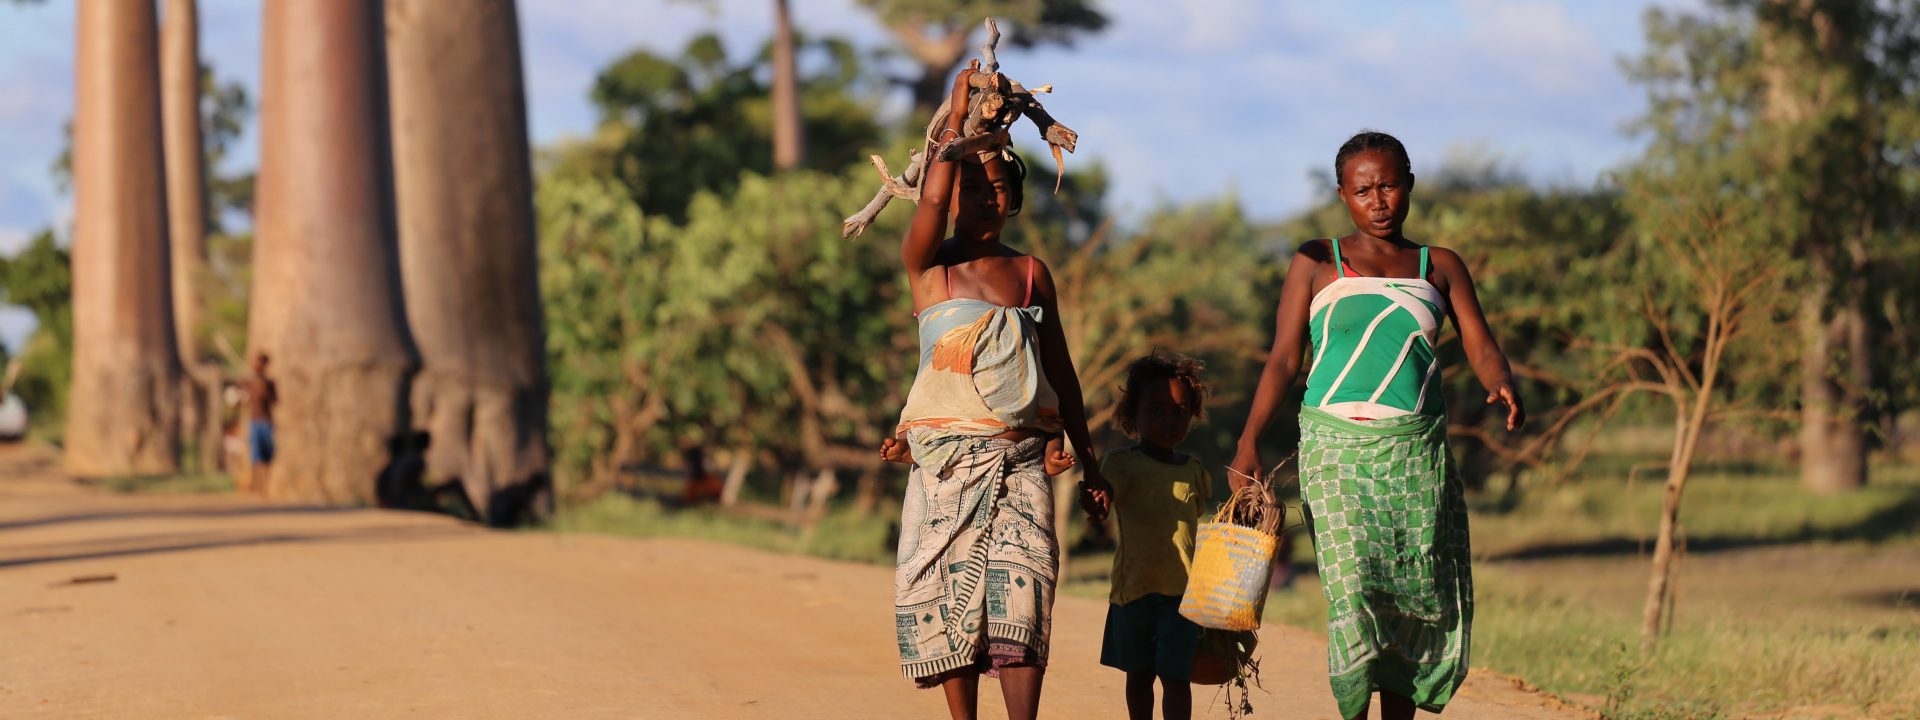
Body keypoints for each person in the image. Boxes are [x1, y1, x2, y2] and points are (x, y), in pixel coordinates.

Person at [1228, 131, 1525, 720]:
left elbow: (1480, 343)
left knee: (1408, 599)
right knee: (1354, 589)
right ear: (1343, 195)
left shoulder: (1438, 266)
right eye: (1363, 190)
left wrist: (1501, 380)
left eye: (1388, 185)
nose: (1378, 200)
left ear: (1408, 184)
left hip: (1415, 455)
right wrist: (1248, 439)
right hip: (1334, 449)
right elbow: (1286, 358)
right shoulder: (1316, 260)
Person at [880, 63, 1111, 720]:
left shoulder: (1031, 274)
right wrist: (958, 118)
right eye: (970, 188)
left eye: (997, 189)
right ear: (948, 196)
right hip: (947, 465)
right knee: (953, 602)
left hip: (1023, 461)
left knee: (1026, 595)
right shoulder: (930, 269)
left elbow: (1060, 374)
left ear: (1014, 198)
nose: (984, 199)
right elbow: (927, 200)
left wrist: (1090, 462)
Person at [1098, 351, 1212, 720]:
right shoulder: (1120, 464)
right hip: (1133, 591)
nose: (1170, 420)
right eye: (1157, 410)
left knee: (1177, 677)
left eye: (1180, 411)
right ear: (1133, 415)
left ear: (1193, 415)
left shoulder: (1195, 470)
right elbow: (1103, 500)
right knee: (1140, 675)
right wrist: (1095, 501)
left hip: (1181, 596)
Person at [243, 353, 278, 495]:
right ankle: (254, 484)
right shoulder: (248, 383)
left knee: (267, 455)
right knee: (255, 454)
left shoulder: (269, 383)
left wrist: (265, 391)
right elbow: (241, 400)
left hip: (267, 422)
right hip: (254, 422)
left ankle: (266, 486)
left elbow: (275, 400)